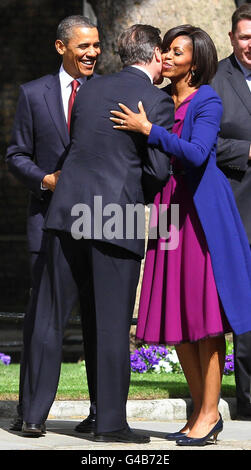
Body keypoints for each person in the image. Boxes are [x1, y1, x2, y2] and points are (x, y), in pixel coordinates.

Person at [17, 24, 174, 443]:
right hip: (114, 217)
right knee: (109, 323)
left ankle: (31, 417)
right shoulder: (157, 100)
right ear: (155, 55)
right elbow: (159, 171)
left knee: (49, 317)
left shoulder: (88, 90)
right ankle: (109, 425)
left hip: (67, 210)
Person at [110, 24, 251, 446]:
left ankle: (209, 413)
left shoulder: (206, 98)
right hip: (168, 212)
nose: (166, 57)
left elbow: (195, 152)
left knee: (206, 321)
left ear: (197, 59)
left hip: (201, 214)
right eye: (165, 51)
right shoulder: (160, 99)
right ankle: (198, 410)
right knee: (181, 317)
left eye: (176, 51)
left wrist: (148, 129)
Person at [5, 15, 101, 435]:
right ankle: (31, 415)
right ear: (61, 47)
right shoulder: (32, 94)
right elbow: (16, 155)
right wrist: (45, 179)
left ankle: (103, 413)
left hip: (101, 223)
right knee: (43, 322)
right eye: (84, 46)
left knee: (101, 320)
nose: (93, 53)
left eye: (96, 45)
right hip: (47, 222)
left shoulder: (106, 92)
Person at [211, 4, 251, 420]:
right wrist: (247, 151)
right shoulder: (215, 82)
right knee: (247, 315)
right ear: (232, 38)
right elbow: (201, 141)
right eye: (245, 37)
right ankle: (250, 400)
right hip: (241, 215)